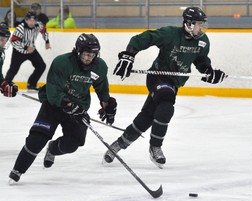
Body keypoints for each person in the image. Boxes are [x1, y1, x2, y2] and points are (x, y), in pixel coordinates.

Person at [103, 7, 226, 169]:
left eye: (202, 24)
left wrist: (210, 73)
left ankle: (118, 144)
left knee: (147, 116)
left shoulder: (203, 41)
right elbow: (142, 38)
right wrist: (128, 56)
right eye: (198, 24)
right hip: (157, 77)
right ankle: (155, 146)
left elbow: (201, 61)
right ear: (188, 24)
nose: (201, 28)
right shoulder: (170, 34)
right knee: (167, 104)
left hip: (174, 82)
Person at [8, 33, 117, 183]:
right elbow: (53, 93)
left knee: (72, 144)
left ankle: (52, 149)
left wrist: (108, 105)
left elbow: (102, 89)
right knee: (37, 139)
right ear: (78, 51)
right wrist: (70, 106)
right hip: (54, 106)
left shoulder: (100, 67)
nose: (88, 58)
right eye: (85, 54)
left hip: (78, 107)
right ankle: (18, 170)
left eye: (92, 55)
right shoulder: (62, 63)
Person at [4, 11, 51, 90]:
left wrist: (47, 41)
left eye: (33, 20)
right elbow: (13, 41)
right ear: (26, 20)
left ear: (36, 21)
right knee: (13, 69)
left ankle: (31, 84)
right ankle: (5, 85)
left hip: (31, 50)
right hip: (19, 52)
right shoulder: (20, 28)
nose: (32, 22)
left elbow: (44, 30)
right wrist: (25, 47)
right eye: (29, 20)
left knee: (41, 66)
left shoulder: (38, 25)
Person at [0, 23, 18, 97]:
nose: (4, 43)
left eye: (6, 40)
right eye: (1, 39)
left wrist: (5, 83)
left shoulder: (1, 53)